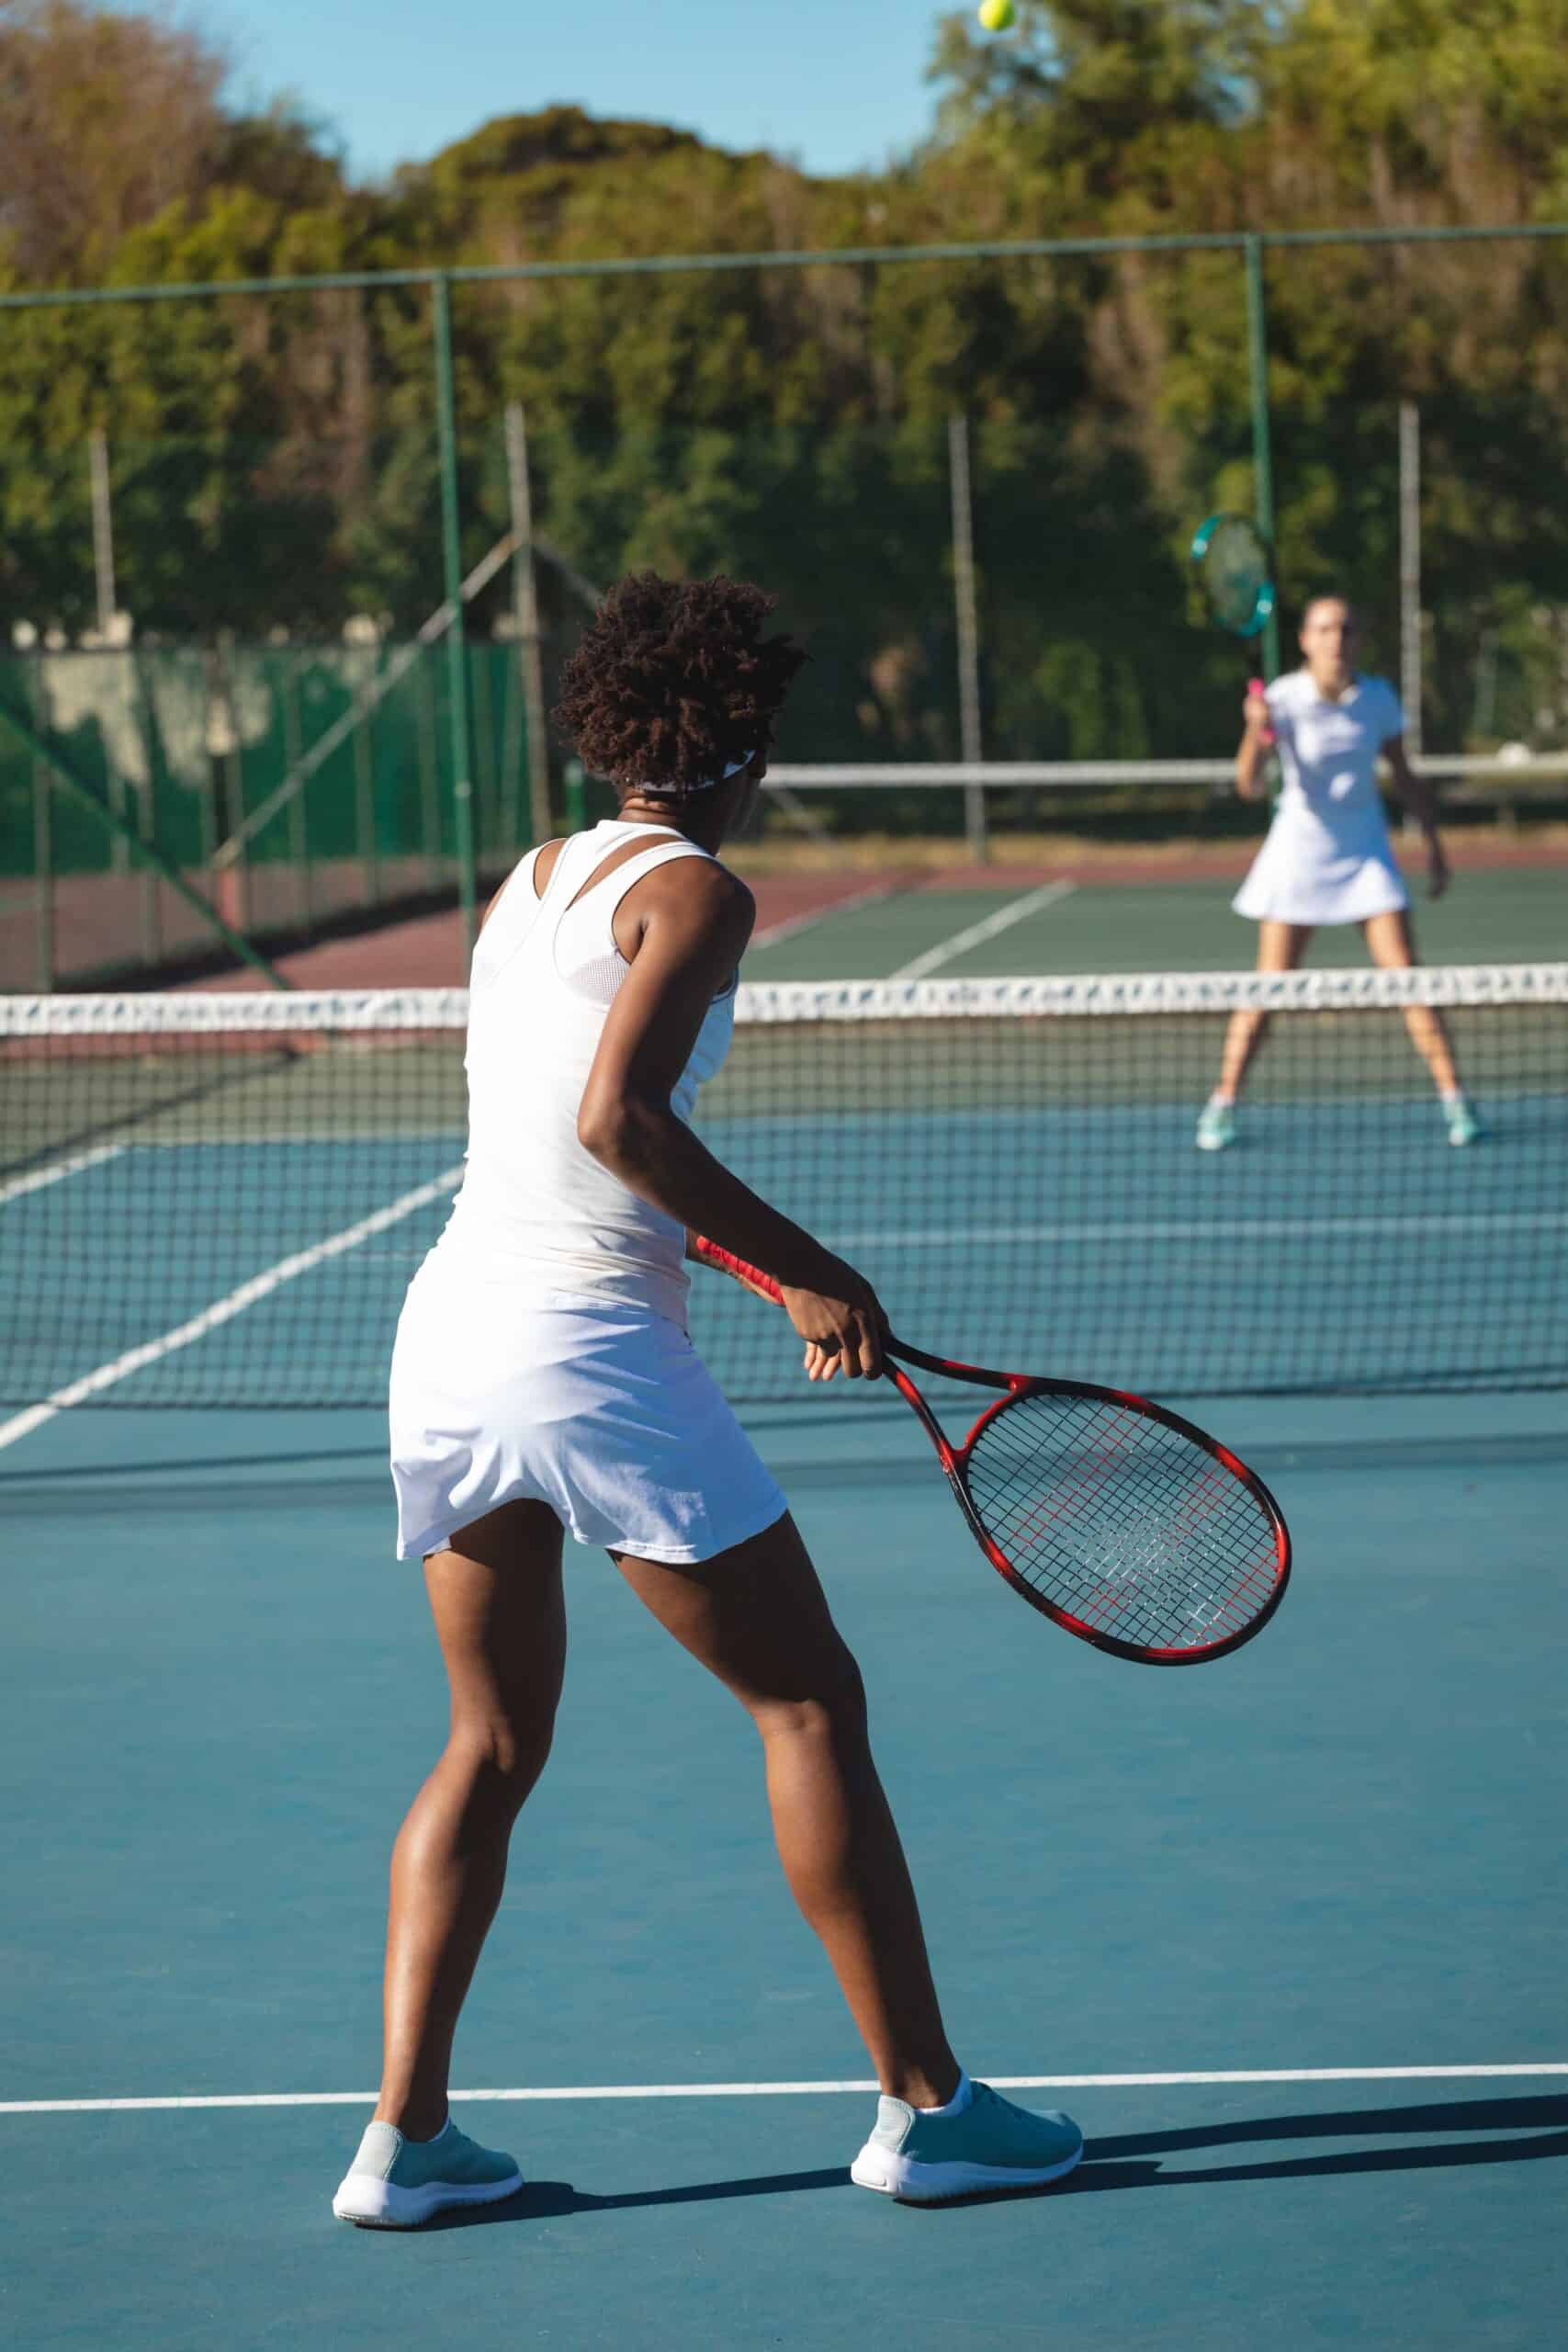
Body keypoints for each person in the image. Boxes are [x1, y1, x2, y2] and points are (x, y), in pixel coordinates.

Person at [332, 573, 1084, 2228]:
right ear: (741, 745)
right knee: (807, 1704)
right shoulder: (702, 893)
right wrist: (815, 1269)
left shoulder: (534, 877)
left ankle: (404, 2141)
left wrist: (733, 1262)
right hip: (583, 1352)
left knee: (488, 1741)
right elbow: (617, 1122)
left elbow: (563, 1140)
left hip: (449, 1339)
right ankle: (928, 2111)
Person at [1195, 595, 1480, 1151]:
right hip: (1296, 858)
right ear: (1305, 640)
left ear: (1358, 640)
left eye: (1346, 629)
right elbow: (1249, 785)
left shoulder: (1377, 699)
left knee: (1409, 979)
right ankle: (1222, 1104)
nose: (1336, 640)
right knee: (1268, 987)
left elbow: (1404, 776)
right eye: (1324, 630)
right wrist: (1255, 731)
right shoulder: (1281, 698)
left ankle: (1456, 1100)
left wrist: (1434, 844)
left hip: (1366, 856)